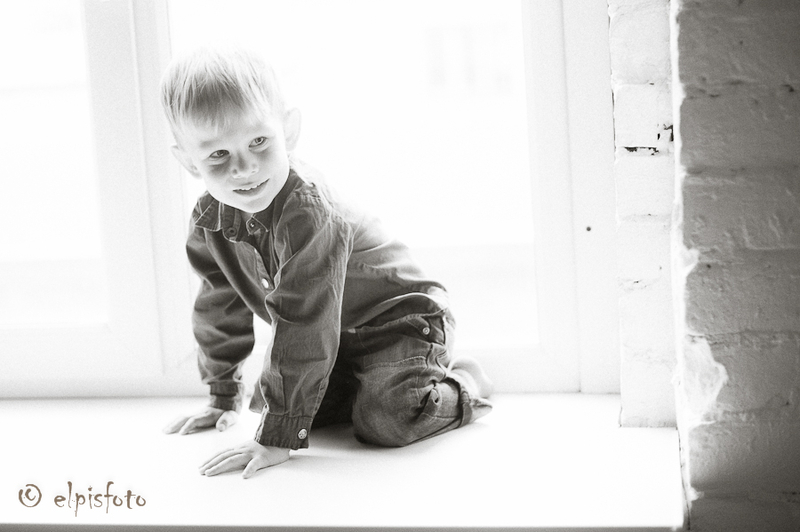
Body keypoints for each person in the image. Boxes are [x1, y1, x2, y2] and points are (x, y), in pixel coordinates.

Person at [160, 46, 493, 478]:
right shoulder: (210, 221)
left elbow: (304, 320)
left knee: (385, 421)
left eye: (258, 141)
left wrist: (277, 438)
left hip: (399, 323)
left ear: (289, 131)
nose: (243, 168)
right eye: (217, 155)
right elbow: (218, 304)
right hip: (336, 338)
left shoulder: (308, 211)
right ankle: (358, 384)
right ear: (189, 162)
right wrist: (222, 394)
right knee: (283, 407)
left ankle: (464, 381)